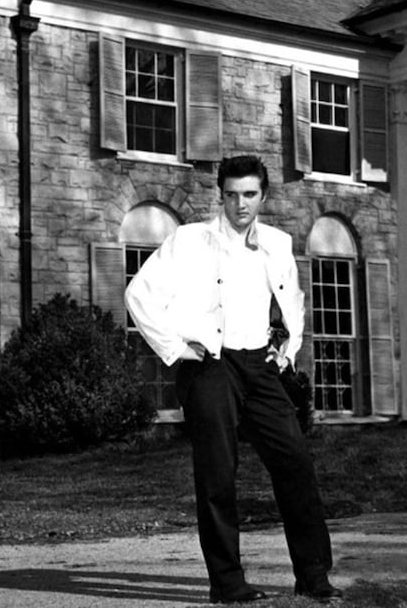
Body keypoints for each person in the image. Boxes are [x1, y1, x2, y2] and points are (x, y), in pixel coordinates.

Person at [125, 155, 341, 604]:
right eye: (231, 195)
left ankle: (314, 575)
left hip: (260, 366)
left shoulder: (277, 244)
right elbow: (138, 294)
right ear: (220, 196)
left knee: (295, 462)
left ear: (263, 195)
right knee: (218, 474)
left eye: (249, 194)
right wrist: (178, 348)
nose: (240, 204)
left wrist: (288, 346)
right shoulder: (190, 240)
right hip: (211, 365)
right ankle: (227, 583)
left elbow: (292, 300)